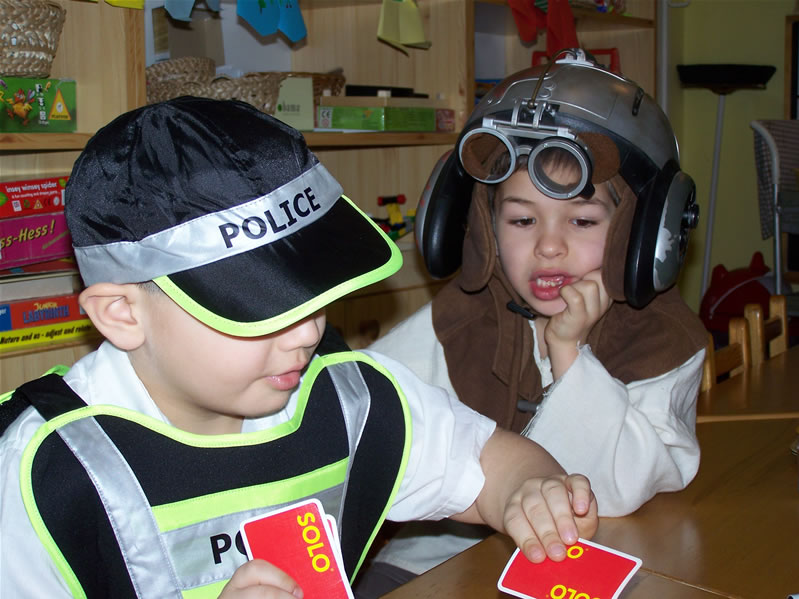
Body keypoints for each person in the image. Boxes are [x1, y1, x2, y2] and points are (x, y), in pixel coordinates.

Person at [0, 97, 598, 599]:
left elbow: (495, 464)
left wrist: (529, 491)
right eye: (258, 307)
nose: (308, 333)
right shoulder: (43, 471)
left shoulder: (351, 398)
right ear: (122, 313)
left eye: (314, 292)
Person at [353, 49, 707, 596]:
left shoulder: (662, 337)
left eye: (582, 221)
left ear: (641, 234)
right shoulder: (457, 321)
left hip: (582, 567)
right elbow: (353, 405)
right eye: (521, 219)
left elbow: (617, 491)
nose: (548, 246)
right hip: (432, 566)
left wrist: (569, 354)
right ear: (483, 227)